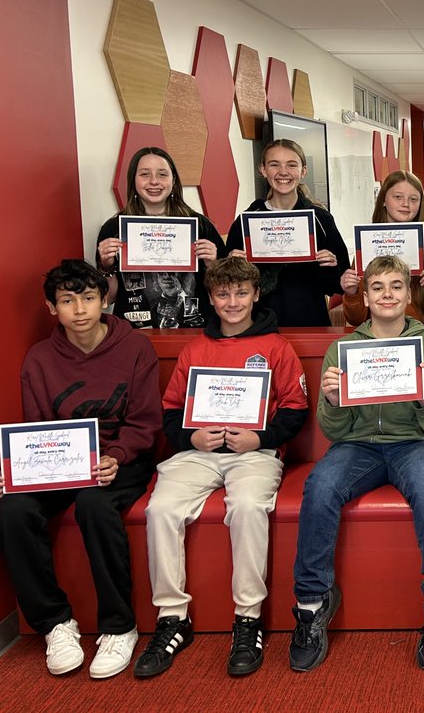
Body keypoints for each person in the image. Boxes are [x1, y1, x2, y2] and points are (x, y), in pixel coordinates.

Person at [134, 257, 308, 679]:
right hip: (199, 453)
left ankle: (247, 619)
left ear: (256, 294)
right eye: (224, 294)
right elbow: (172, 411)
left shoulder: (276, 347)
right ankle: (172, 618)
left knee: (248, 507)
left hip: (253, 454)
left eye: (241, 293)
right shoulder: (195, 349)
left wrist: (261, 438)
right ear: (211, 298)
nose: (233, 302)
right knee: (160, 510)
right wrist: (191, 437)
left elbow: (295, 409)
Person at [0, 260, 160, 678]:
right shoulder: (40, 359)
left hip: (121, 462)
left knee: (93, 504)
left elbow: (145, 423)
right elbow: (37, 431)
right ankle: (55, 623)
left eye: (87, 298)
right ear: (52, 308)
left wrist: (115, 456)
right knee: (12, 510)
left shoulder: (135, 347)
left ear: (104, 300)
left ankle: (119, 626)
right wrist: (15, 475)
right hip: (61, 465)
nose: (79, 309)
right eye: (67, 300)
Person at [291, 255, 424, 672]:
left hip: (416, 444)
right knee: (320, 485)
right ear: (364, 296)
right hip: (358, 446)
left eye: (396, 287)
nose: (387, 295)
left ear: (408, 294)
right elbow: (332, 430)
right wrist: (331, 401)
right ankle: (311, 605)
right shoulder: (343, 348)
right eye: (378, 287)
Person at [95, 147, 226, 328]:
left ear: (173, 180)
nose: (154, 181)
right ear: (133, 180)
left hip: (195, 330)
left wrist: (213, 264)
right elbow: (108, 298)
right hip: (134, 333)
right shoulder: (114, 229)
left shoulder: (200, 225)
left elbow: (225, 292)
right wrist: (105, 265)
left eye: (162, 174)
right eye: (144, 174)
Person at [226, 138, 351, 326]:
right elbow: (227, 284)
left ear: (303, 171)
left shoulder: (321, 219)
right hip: (258, 324)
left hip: (310, 321)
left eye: (291, 165)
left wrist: (331, 266)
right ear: (263, 170)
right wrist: (233, 263)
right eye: (274, 164)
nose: (283, 172)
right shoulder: (247, 221)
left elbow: (340, 284)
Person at [340, 169, 424, 327]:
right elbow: (355, 320)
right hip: (385, 337)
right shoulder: (368, 244)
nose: (406, 204)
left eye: (413, 199)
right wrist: (352, 293)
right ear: (383, 200)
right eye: (398, 197)